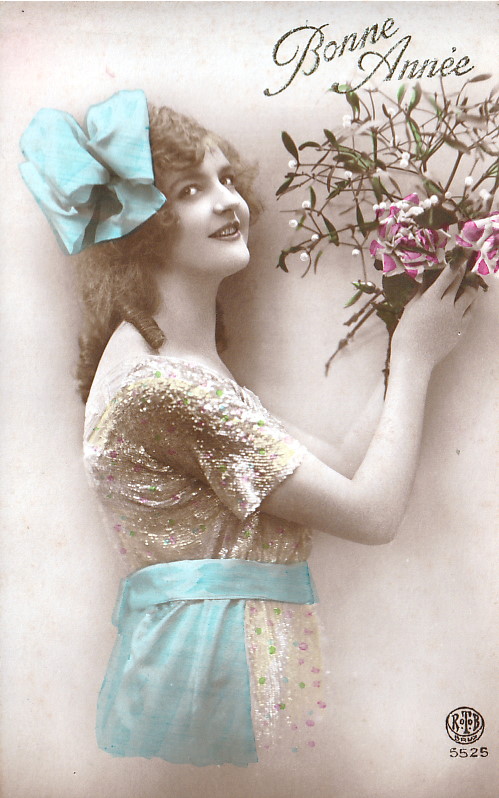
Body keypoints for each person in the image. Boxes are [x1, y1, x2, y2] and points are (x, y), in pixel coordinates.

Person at [19, 90, 478, 767]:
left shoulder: (177, 367)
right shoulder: (167, 388)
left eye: (226, 178)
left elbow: (340, 464)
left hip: (221, 666)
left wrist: (399, 319)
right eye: (190, 190)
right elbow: (371, 513)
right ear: (138, 225)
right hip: (212, 679)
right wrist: (413, 358)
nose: (228, 201)